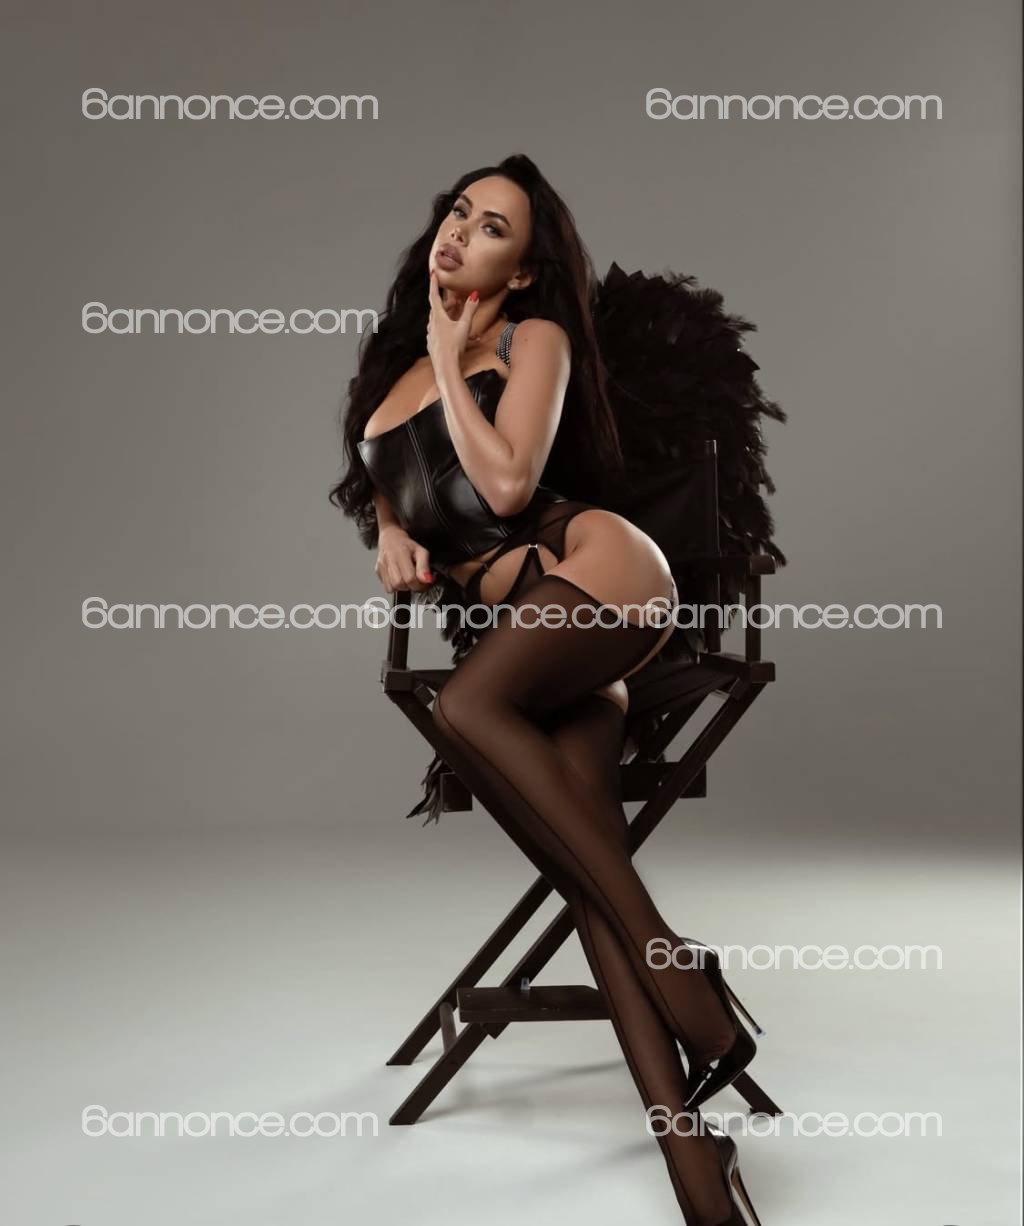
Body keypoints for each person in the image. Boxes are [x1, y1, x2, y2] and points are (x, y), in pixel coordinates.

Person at [331, 153, 764, 1226]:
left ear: (521, 271)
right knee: (587, 870)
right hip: (530, 641)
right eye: (458, 211)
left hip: (598, 574)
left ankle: (685, 977)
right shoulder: (393, 376)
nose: (459, 232)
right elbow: (395, 478)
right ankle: (696, 1162)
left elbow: (507, 482)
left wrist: (450, 355)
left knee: (465, 708)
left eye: (492, 227)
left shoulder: (535, 342)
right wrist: (385, 528)